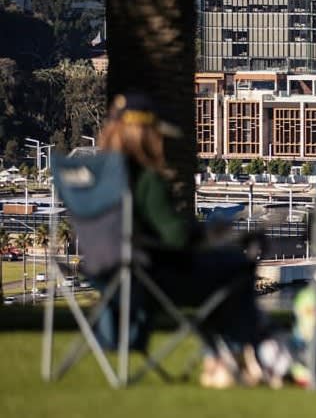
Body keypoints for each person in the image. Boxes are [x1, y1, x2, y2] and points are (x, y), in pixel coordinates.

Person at [98, 92, 266, 388]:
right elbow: (176, 237)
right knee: (236, 266)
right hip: (155, 278)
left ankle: (221, 357)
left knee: (224, 272)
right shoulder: (147, 180)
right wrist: (207, 233)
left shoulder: (98, 181)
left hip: (108, 274)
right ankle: (228, 357)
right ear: (147, 135)